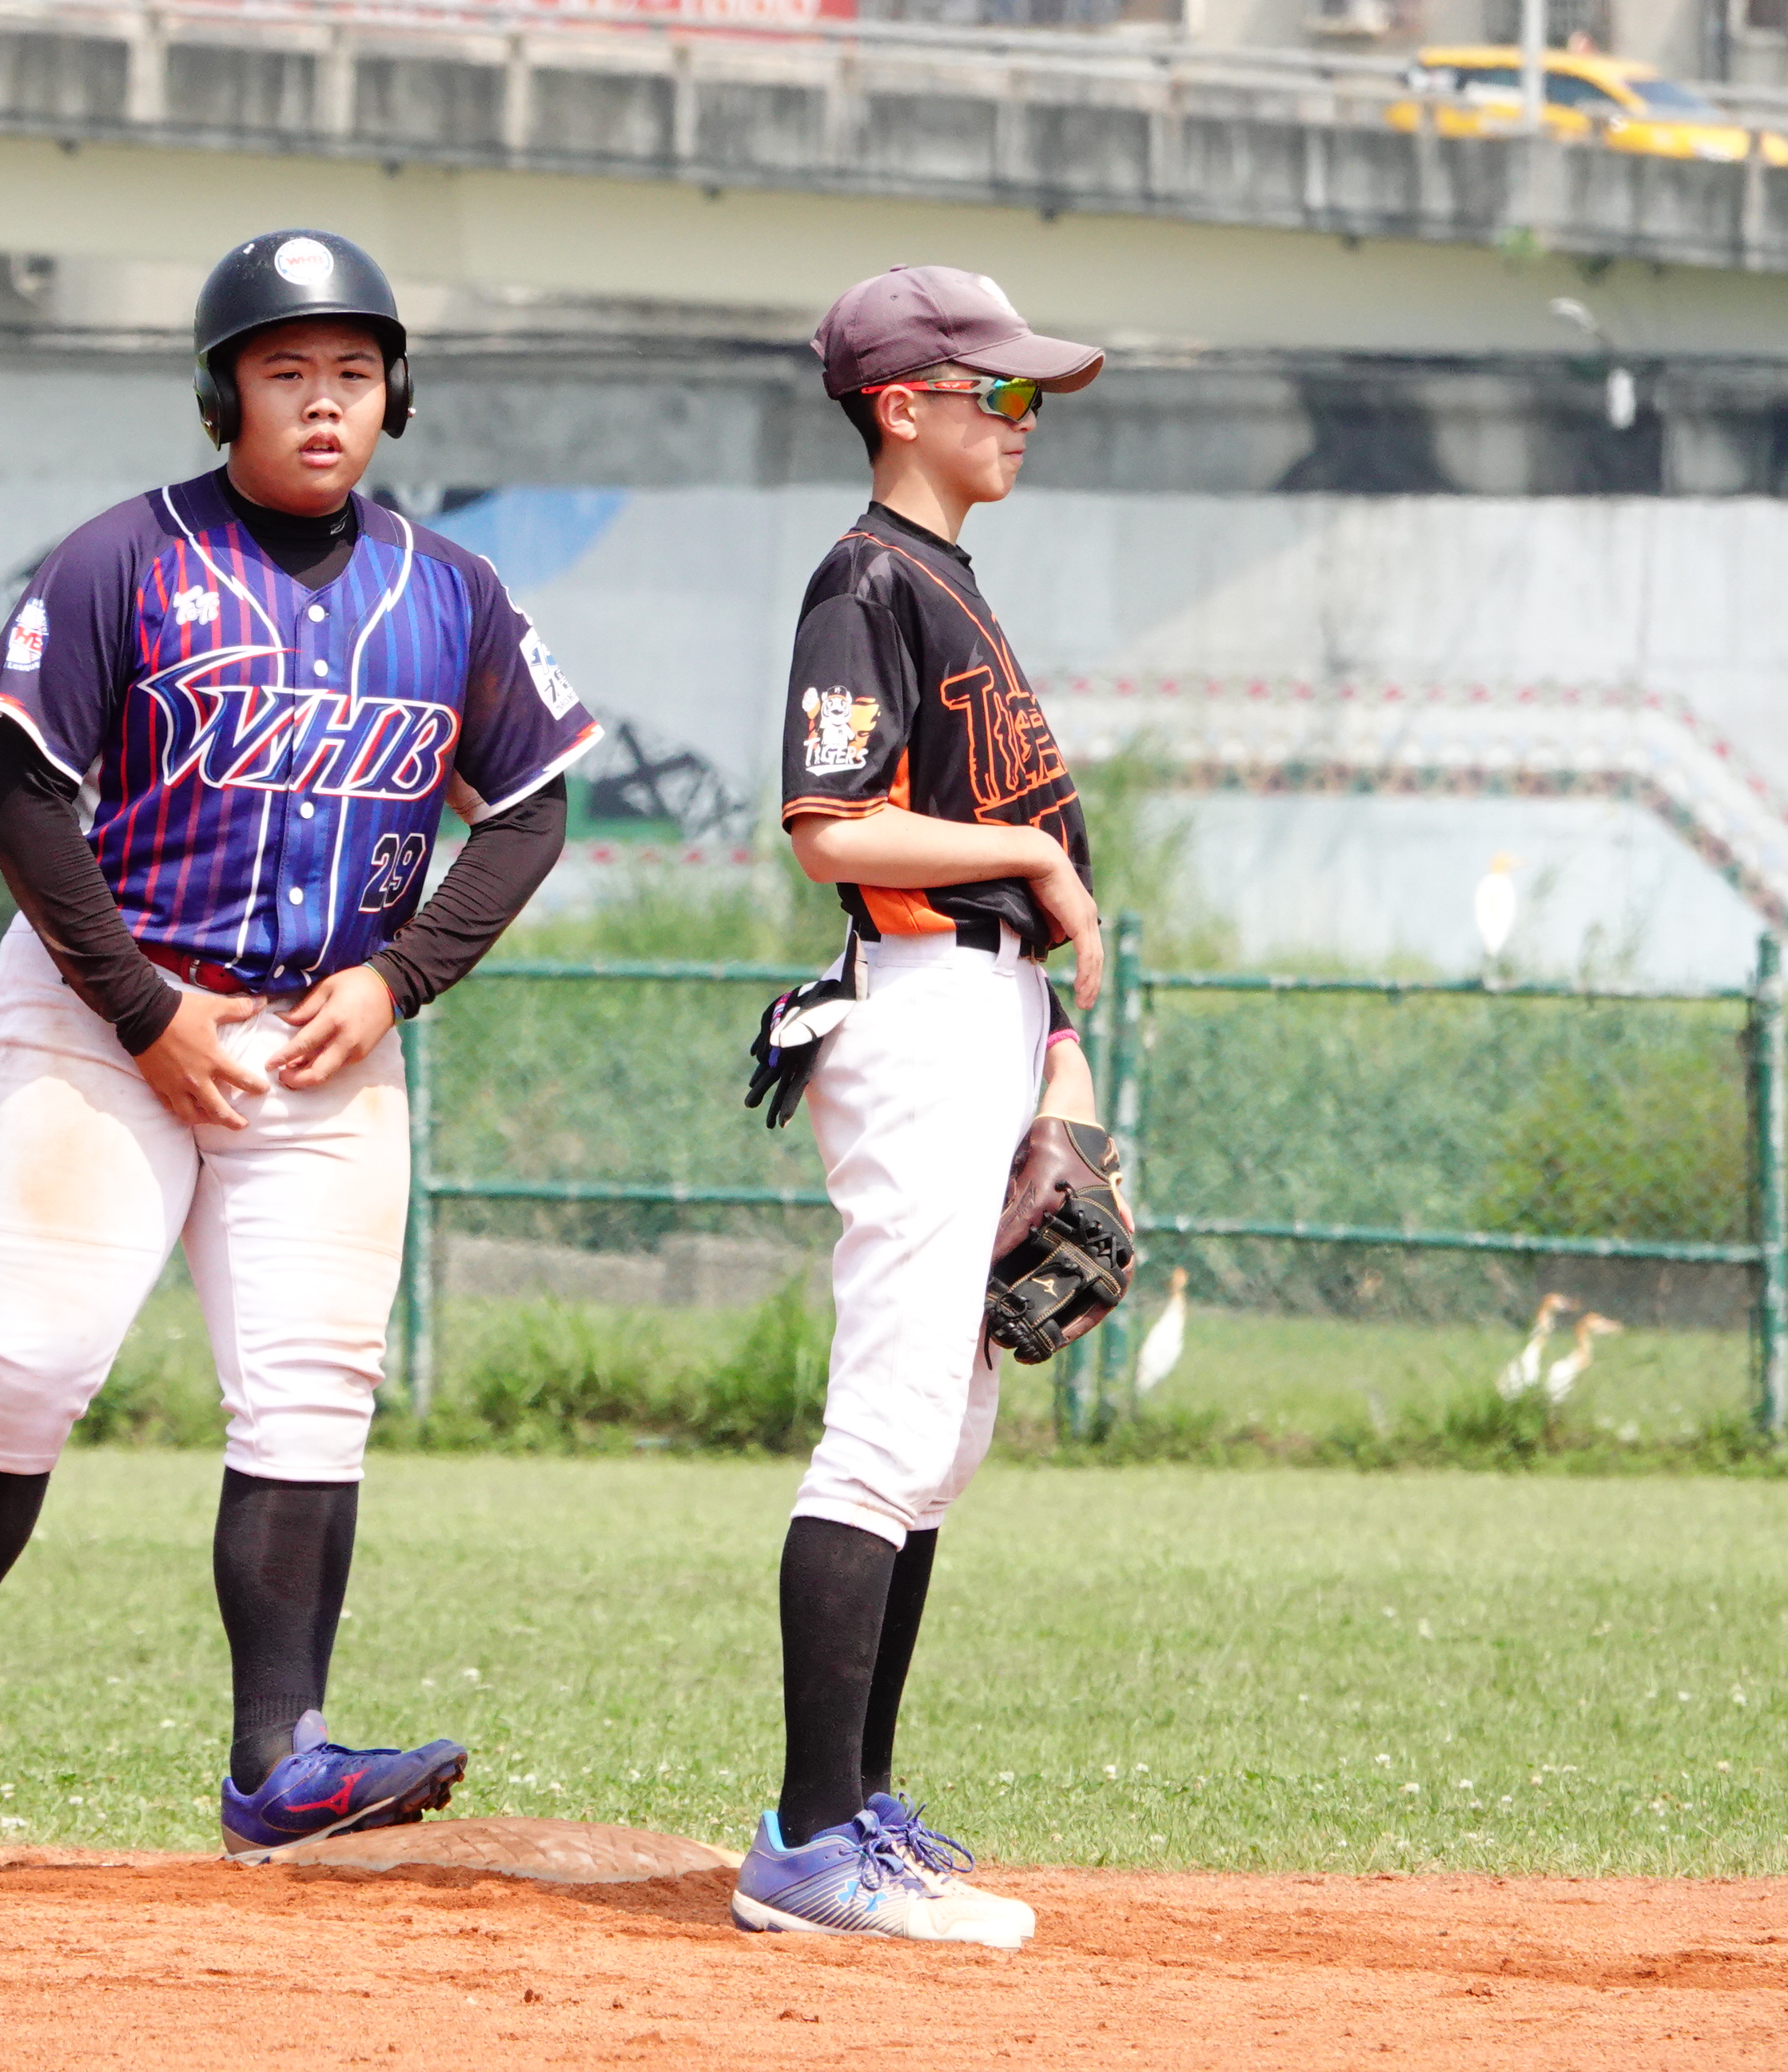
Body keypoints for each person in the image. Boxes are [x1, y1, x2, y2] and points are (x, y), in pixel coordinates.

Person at [0, 229, 603, 1859]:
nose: (323, 401)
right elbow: (20, 797)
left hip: (324, 1032)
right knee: (27, 1356)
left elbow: (533, 809)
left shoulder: (451, 593)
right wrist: (144, 1010)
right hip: (106, 1003)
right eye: (283, 370)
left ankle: (280, 1763)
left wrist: (402, 979)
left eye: (353, 372)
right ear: (220, 396)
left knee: (312, 1390)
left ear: (394, 397)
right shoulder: (125, 559)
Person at [731, 265, 1124, 1947]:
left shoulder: (948, 583)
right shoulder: (867, 578)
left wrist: (1060, 1051)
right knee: (888, 1427)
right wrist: (1033, 855)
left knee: (942, 1441)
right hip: (917, 1008)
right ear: (903, 405)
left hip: (991, 1012)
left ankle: (863, 1807)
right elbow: (833, 829)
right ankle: (808, 1846)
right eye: (1001, 392)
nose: (1025, 419)